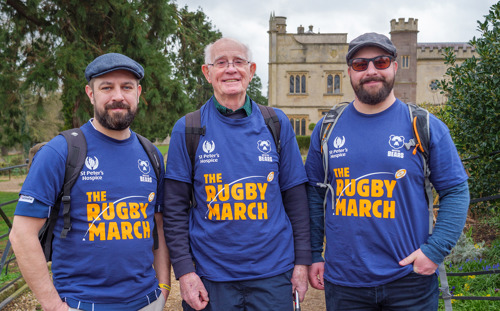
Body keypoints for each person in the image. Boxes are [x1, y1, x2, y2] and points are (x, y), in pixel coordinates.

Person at [305, 33, 469, 310]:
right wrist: (313, 254)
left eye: (380, 62)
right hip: (346, 283)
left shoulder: (424, 125)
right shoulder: (327, 129)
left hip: (410, 281)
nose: (371, 71)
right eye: (360, 64)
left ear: (394, 66)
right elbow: (313, 194)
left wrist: (434, 251)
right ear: (349, 72)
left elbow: (455, 190)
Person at [9, 53, 170, 311]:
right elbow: (21, 234)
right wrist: (54, 306)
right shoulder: (61, 151)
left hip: (147, 302)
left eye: (126, 87)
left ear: (138, 93)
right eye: (107, 87)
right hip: (82, 304)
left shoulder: (151, 154)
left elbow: (159, 227)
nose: (118, 95)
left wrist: (164, 287)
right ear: (90, 93)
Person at [164, 37, 311, 311]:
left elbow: (297, 200)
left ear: (252, 70)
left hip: (273, 275)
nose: (231, 69)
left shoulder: (276, 123)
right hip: (211, 278)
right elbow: (174, 209)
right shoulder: (188, 128)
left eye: (238, 62)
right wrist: (185, 272)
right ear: (207, 73)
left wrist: (302, 263)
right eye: (221, 63)